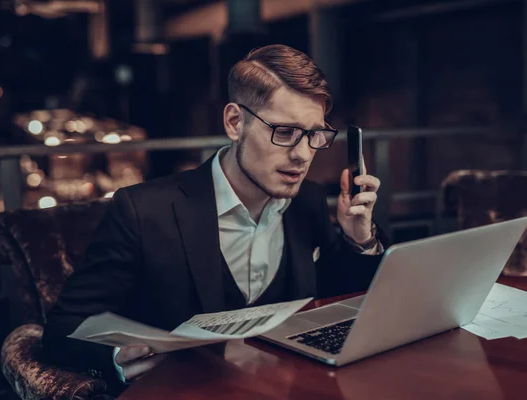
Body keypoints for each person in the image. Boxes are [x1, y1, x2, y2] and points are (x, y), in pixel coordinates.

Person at [42, 44, 388, 386]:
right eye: (284, 132)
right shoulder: (144, 211)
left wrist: (360, 238)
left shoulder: (308, 201)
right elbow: (63, 328)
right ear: (235, 122)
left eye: (314, 135)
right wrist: (116, 357)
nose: (302, 155)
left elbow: (342, 305)